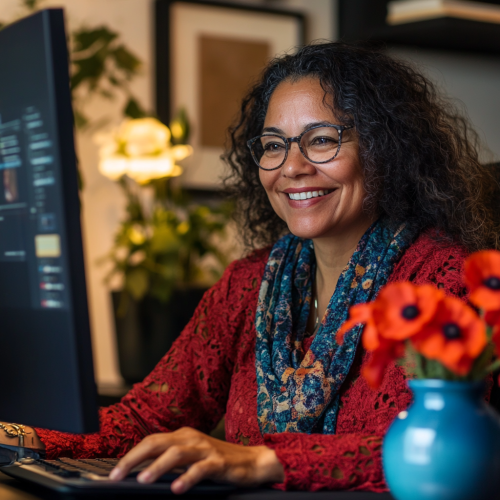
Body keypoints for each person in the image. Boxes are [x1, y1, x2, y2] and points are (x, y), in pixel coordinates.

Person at [34, 42, 499, 493]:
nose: (291, 167)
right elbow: (144, 419)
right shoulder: (247, 283)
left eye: (321, 140)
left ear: (386, 147)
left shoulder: (444, 283)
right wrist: (19, 437)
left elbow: (434, 449)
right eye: (274, 145)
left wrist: (261, 459)